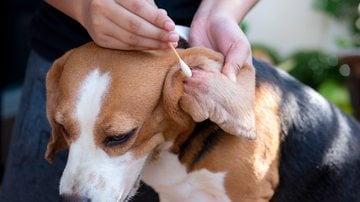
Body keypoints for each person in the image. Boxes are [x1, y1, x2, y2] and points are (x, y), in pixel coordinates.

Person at [0, 0, 258, 201]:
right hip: (67, 58)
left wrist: (220, 11)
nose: (72, 191)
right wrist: (82, 6)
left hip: (191, 62)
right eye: (67, 129)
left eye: (117, 137)